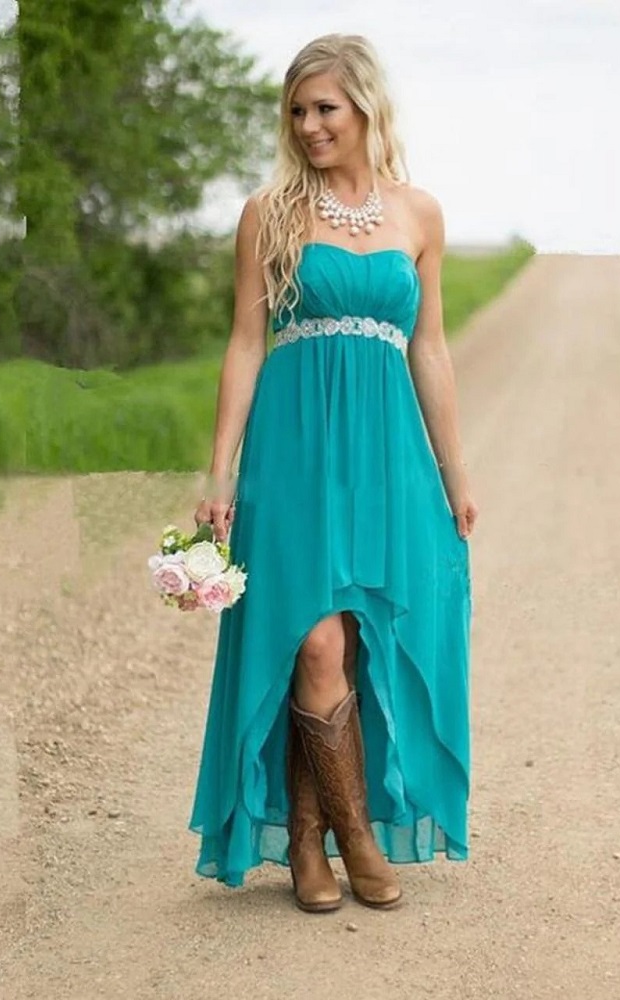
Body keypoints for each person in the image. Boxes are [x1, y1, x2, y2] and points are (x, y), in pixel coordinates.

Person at [188, 33, 477, 912]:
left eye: (326, 109)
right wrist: (221, 470)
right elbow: (246, 343)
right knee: (309, 637)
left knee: (355, 639)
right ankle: (354, 839)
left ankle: (309, 844)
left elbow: (429, 351)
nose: (311, 126)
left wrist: (453, 473)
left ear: (364, 109)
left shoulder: (419, 214)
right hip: (295, 445)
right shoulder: (269, 213)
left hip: (388, 449)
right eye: (298, 112)